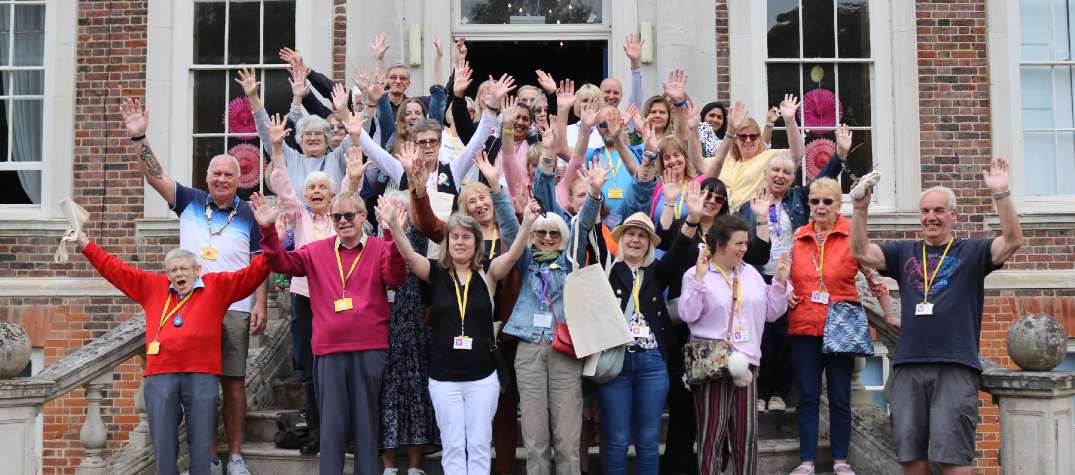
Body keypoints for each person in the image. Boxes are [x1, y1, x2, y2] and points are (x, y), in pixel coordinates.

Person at [850, 158, 1023, 475]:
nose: (931, 217)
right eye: (925, 211)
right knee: (910, 457)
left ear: (953, 215)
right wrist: (860, 209)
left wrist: (1001, 194)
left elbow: (1012, 241)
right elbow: (861, 253)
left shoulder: (972, 252)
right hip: (908, 364)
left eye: (939, 211)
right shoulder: (904, 252)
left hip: (954, 364)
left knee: (953, 458)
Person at [120, 98, 266, 475]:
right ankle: (209, 458)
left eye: (228, 175)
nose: (221, 179)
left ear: (240, 180)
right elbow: (155, 177)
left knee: (232, 383)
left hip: (233, 307)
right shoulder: (189, 201)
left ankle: (232, 457)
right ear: (207, 178)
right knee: (201, 387)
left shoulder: (249, 213)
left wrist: (259, 304)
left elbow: (260, 263)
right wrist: (140, 138)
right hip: (187, 307)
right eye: (215, 173)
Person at [74, 231, 269, 475]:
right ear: (167, 275)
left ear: (197, 270)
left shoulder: (217, 286)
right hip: (160, 373)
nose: (178, 274)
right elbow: (115, 269)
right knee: (163, 442)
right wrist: (85, 243)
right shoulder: (153, 287)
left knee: (201, 441)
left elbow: (252, 274)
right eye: (172, 270)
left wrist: (272, 239)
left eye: (183, 268)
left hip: (202, 372)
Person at [380, 191, 540, 475]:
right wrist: (394, 225)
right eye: (455, 236)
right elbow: (407, 253)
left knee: (479, 446)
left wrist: (526, 222)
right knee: (453, 447)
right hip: (444, 380)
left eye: (467, 237)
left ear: (476, 242)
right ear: (447, 242)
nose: (460, 242)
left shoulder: (488, 272)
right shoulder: (434, 272)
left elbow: (514, 254)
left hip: (482, 378)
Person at [251, 189, 407, 475]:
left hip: (369, 348)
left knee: (365, 423)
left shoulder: (380, 246)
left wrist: (392, 234)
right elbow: (281, 264)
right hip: (329, 349)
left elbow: (395, 277)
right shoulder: (316, 250)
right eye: (337, 216)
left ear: (363, 216)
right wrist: (267, 231)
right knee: (331, 426)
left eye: (349, 215)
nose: (343, 221)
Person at [409, 150, 524, 475]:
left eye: (483, 198)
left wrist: (495, 182)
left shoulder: (508, 234)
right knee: (461, 436)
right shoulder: (459, 236)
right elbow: (430, 223)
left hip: (505, 336)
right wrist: (418, 191)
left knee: (494, 425)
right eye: (471, 201)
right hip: (455, 337)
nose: (479, 204)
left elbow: (517, 256)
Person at [501, 150, 607, 475]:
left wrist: (593, 193)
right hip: (530, 349)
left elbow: (585, 221)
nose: (547, 238)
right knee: (535, 440)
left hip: (564, 350)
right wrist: (496, 189)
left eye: (554, 234)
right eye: (541, 233)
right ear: (532, 235)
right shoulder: (525, 260)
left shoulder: (571, 260)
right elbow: (508, 227)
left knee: (567, 438)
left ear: (562, 238)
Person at [264, 113, 363, 456]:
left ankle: (347, 433)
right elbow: (282, 185)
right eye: (311, 188)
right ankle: (318, 435)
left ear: (333, 194)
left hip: (339, 298)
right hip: (306, 297)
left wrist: (352, 150)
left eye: (323, 187)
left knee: (344, 367)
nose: (316, 191)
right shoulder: (299, 213)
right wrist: (277, 147)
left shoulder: (341, 215)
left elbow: (352, 188)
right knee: (313, 371)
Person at [738, 124, 854, 415]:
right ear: (765, 173)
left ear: (792, 179)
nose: (780, 176)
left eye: (787, 173)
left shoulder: (799, 199)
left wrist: (840, 154)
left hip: (790, 277)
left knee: (785, 338)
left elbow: (824, 179)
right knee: (761, 337)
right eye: (775, 171)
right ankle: (760, 391)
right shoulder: (746, 207)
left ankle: (778, 392)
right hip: (758, 276)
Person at [785, 177, 894, 475]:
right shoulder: (797, 236)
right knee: (807, 396)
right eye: (815, 201)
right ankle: (807, 460)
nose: (821, 207)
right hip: (804, 328)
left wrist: (890, 313)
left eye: (827, 201)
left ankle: (840, 461)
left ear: (839, 205)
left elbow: (874, 278)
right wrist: (785, 292)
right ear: (809, 205)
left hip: (841, 329)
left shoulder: (852, 237)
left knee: (840, 397)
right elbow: (782, 275)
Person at [594, 181, 704, 475]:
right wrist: (593, 194)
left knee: (647, 441)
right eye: (630, 233)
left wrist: (692, 219)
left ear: (649, 243)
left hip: (653, 364)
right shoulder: (607, 269)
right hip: (615, 361)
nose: (635, 240)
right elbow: (589, 238)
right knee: (616, 441)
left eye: (642, 236)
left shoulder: (657, 270)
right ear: (621, 238)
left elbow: (680, 249)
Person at [678, 214, 792, 475]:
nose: (744, 249)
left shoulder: (751, 273)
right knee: (711, 438)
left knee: (747, 437)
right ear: (720, 245)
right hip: (712, 363)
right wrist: (698, 281)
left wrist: (780, 283)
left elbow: (772, 313)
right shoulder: (697, 273)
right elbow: (688, 315)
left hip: (747, 365)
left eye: (745, 244)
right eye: (738, 244)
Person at [372, 190, 440, 475]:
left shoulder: (422, 238)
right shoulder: (374, 242)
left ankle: (414, 466)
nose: (394, 211)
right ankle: (388, 467)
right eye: (388, 206)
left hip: (416, 325)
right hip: (385, 324)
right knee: (386, 392)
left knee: (417, 389)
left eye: (399, 206)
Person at [242, 67, 355, 207]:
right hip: (295, 227)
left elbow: (356, 135)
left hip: (332, 226)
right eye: (307, 134)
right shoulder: (291, 158)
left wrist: (343, 109)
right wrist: (253, 97)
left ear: (327, 140)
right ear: (300, 140)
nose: (313, 138)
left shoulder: (337, 158)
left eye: (318, 134)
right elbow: (266, 133)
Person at [705, 96, 806, 211]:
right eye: (743, 136)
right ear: (736, 140)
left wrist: (790, 120)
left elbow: (797, 154)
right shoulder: (725, 161)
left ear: (759, 139)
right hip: (722, 220)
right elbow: (698, 164)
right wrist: (730, 131)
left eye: (753, 136)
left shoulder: (768, 157)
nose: (748, 140)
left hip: (751, 221)